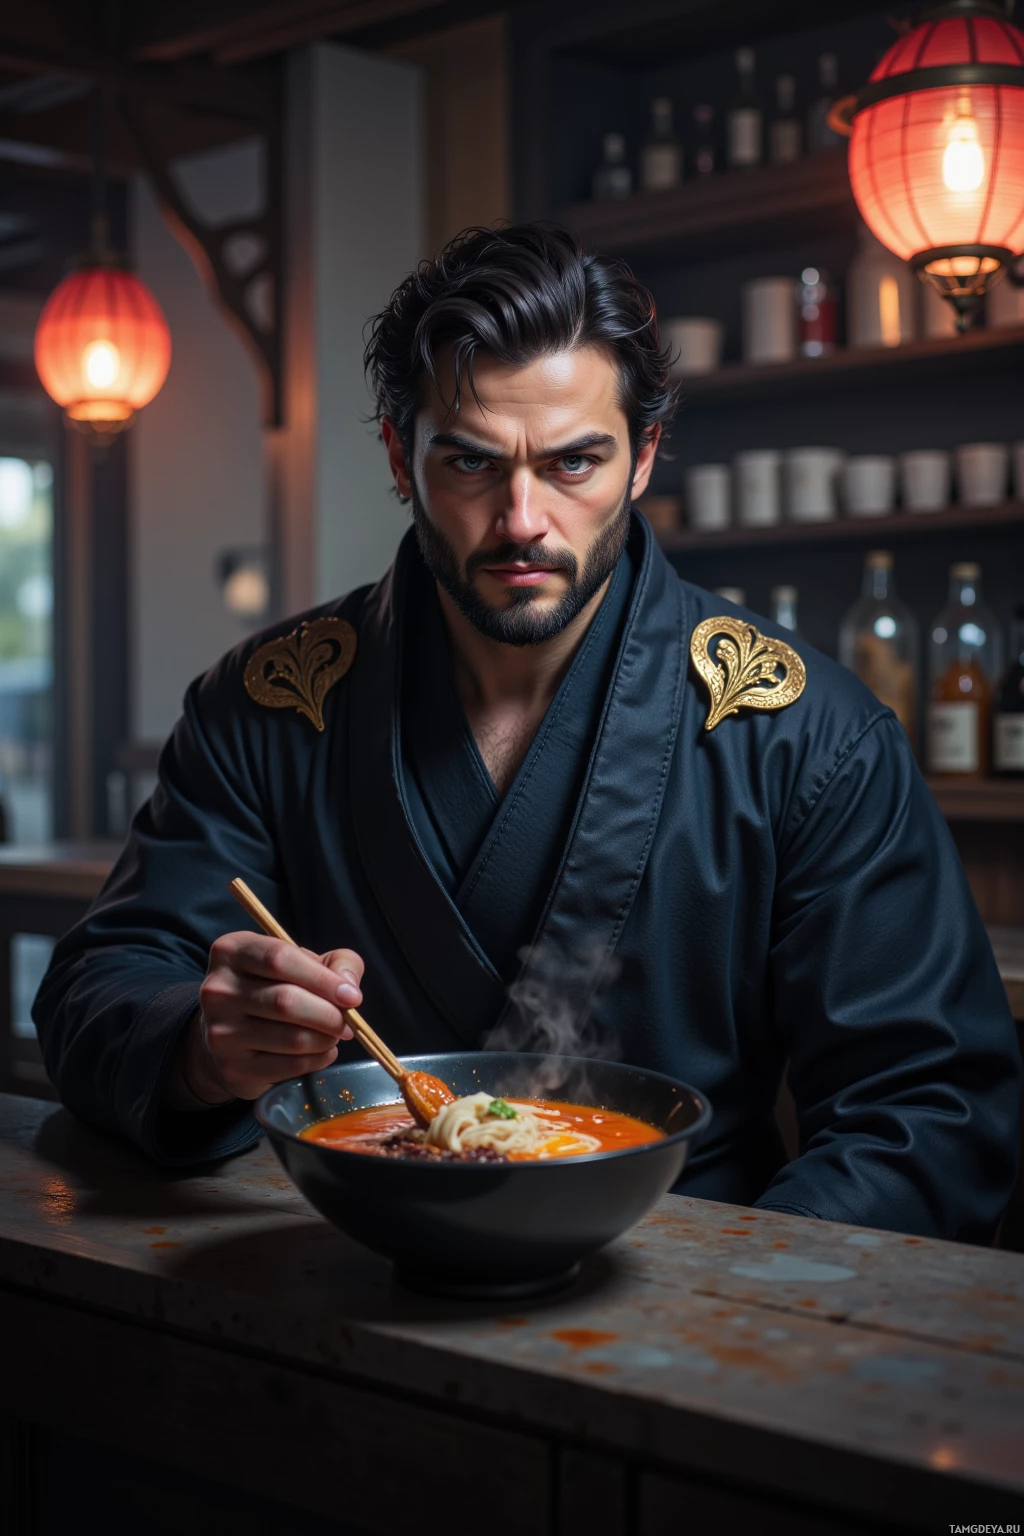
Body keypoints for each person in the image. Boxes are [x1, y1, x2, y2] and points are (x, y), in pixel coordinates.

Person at [35, 225, 1020, 1240]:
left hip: (694, 1290)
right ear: (398, 455)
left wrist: (740, 1290)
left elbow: (929, 1109)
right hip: (328, 1267)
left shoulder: (805, 733)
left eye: (572, 463)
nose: (521, 520)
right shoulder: (267, 702)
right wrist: (202, 1051)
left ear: (642, 457)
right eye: (469, 463)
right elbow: (100, 988)